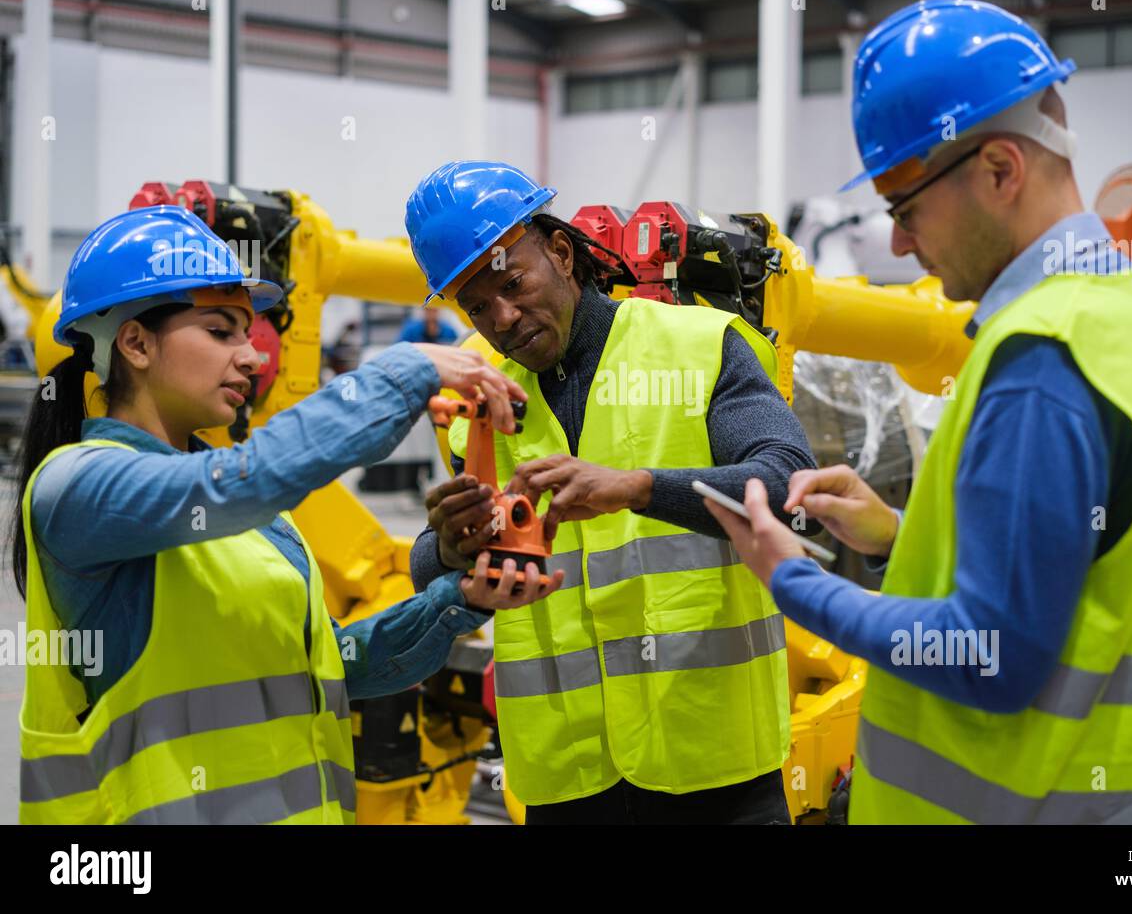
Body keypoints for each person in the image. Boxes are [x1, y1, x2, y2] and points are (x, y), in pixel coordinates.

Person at [704, 0, 1132, 825]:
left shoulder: (1042, 359)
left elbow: (991, 657)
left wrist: (794, 581)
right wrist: (898, 538)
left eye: (905, 209)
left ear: (1001, 171)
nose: (899, 244)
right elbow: (1080, 574)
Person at [14, 204, 561, 825]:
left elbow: (327, 667)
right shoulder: (80, 486)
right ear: (135, 343)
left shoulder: (263, 523)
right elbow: (235, 481)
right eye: (221, 332)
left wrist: (456, 599)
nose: (251, 357)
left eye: (249, 333)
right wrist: (412, 367)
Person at [406, 160, 821, 824]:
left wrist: (638, 489)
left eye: (512, 284)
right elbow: (427, 568)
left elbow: (792, 492)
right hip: (564, 781)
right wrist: (451, 549)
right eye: (477, 305)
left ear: (562, 252)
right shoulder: (478, 395)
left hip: (712, 770)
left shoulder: (698, 348)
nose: (503, 317)